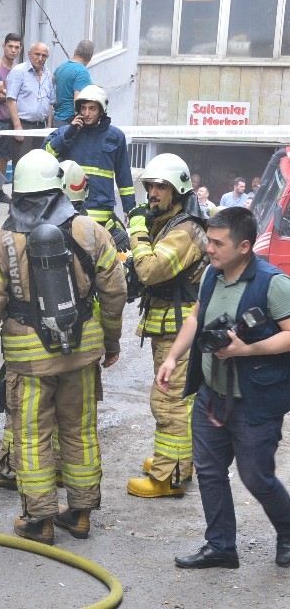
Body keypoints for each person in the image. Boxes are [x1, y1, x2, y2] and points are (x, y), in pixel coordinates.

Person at [0, 149, 126, 544]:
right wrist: (111, 341)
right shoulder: (92, 231)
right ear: (59, 187)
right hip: (82, 354)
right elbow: (115, 293)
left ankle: (38, 520)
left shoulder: (2, 241)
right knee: (80, 431)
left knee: (32, 437)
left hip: (28, 361)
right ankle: (79, 515)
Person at [158, 207, 290, 570]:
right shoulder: (211, 276)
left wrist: (246, 349)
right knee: (209, 471)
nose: (209, 250)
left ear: (245, 246)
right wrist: (172, 358)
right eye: (209, 242)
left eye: (217, 243)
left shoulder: (273, 283)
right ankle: (220, 547)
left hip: (255, 402)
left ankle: (288, 532)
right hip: (212, 396)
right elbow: (195, 317)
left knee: (256, 476)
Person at [125, 154, 208, 499]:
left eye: (162, 187)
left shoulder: (185, 230)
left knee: (169, 401)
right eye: (150, 186)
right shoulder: (170, 223)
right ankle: (176, 464)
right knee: (177, 400)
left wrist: (137, 233)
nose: (153, 193)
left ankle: (166, 477)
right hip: (169, 325)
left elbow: (151, 271)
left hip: (179, 328)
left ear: (179, 190)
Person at [43, 84, 135, 247]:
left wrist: (131, 210)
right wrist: (67, 135)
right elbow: (44, 158)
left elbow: (124, 178)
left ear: (101, 109)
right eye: (83, 108)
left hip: (102, 216)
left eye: (92, 108)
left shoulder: (116, 137)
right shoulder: (65, 132)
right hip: (69, 213)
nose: (86, 113)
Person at [6, 42, 54, 163]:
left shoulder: (48, 75)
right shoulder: (19, 72)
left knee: (37, 165)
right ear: (29, 54)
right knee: (22, 165)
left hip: (41, 127)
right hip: (23, 126)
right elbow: (11, 100)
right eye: (37, 54)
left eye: (44, 55)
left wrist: (48, 127)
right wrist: (17, 127)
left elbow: (50, 103)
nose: (40, 58)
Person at [0, 33, 23, 189]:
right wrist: (8, 95)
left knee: (4, 157)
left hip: (11, 120)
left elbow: (20, 96)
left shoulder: (20, 70)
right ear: (4, 47)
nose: (13, 50)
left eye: (17, 47)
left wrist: (6, 93)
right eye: (10, 46)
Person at [52, 40, 94, 128]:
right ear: (90, 57)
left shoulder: (61, 68)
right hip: (71, 121)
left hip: (57, 119)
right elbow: (77, 100)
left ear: (75, 52)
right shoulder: (82, 72)